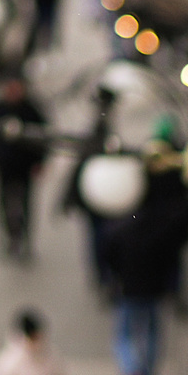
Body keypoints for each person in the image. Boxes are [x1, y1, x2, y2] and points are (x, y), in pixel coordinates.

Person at [102, 118, 188, 375]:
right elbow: (170, 258)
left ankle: (132, 372)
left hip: (127, 290)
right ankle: (145, 373)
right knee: (151, 333)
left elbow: (109, 257)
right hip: (152, 291)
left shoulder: (119, 232)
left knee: (125, 334)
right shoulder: (159, 233)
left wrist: (112, 279)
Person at [0, 78, 51, 261]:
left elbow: (43, 138)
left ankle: (25, 241)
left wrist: (40, 162)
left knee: (25, 204)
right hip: (4, 167)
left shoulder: (31, 110)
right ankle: (8, 239)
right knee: (3, 204)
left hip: (25, 166)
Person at [54, 85, 120, 296]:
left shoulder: (98, 132)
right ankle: (106, 278)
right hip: (99, 199)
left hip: (100, 198)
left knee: (100, 240)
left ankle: (105, 277)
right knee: (103, 239)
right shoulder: (100, 134)